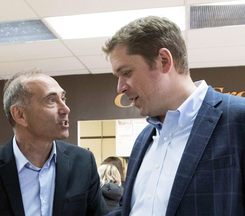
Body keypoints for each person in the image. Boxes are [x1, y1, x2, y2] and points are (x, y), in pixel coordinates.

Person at [102, 16, 245, 216]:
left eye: (126, 72)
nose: (120, 88)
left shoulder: (238, 118)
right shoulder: (143, 139)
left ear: (164, 61)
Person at [0, 69, 108, 216]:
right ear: (20, 114)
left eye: (63, 99)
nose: (65, 109)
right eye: (51, 100)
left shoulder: (82, 162)